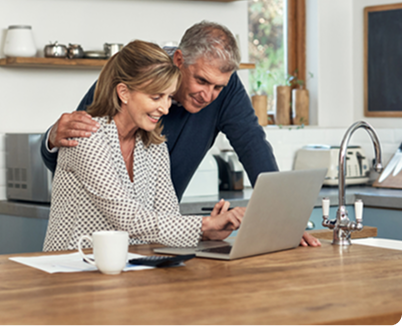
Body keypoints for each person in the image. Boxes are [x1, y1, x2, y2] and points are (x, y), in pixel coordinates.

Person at [42, 21, 320, 247]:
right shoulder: (130, 80)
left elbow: (252, 144)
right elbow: (77, 142)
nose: (208, 95)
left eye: (217, 87)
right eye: (201, 81)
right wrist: (53, 138)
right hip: (76, 258)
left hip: (135, 255)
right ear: (179, 60)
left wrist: (283, 221)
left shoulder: (154, 143)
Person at [43, 41, 245, 251]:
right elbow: (127, 217)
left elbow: (167, 221)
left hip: (128, 269)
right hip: (71, 268)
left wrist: (207, 233)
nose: (165, 108)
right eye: (156, 97)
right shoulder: (87, 138)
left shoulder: (154, 145)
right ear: (124, 93)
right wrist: (204, 225)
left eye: (168, 97)